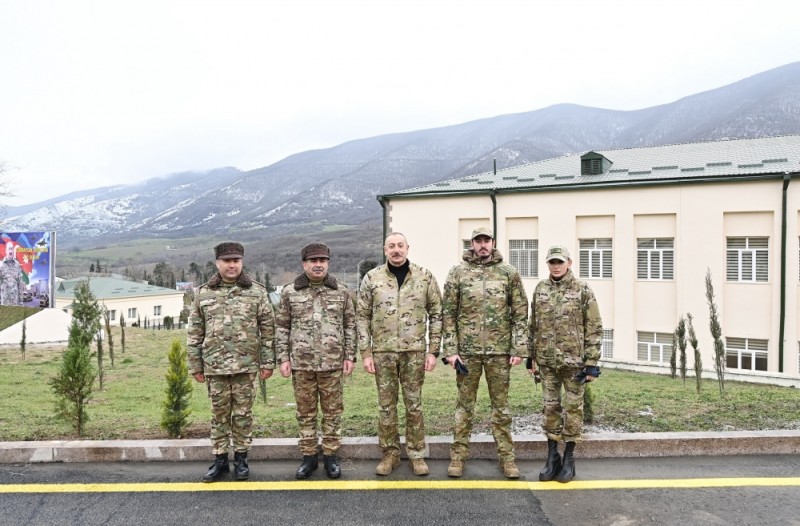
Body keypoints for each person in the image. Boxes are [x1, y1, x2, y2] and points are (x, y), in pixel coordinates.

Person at [441, 226, 528, 479]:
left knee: (501, 407)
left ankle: (507, 459)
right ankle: (458, 457)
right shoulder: (458, 272)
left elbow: (520, 312)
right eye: (478, 241)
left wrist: (518, 347)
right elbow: (448, 314)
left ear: (493, 242)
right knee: (464, 407)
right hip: (467, 354)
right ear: (472, 244)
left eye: (486, 240)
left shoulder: (508, 273)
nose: (482, 245)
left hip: (499, 353)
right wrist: (451, 350)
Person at [187, 242, 275, 482]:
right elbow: (195, 332)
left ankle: (242, 459)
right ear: (217, 263)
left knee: (243, 414)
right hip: (215, 366)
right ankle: (220, 460)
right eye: (227, 261)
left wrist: (268, 362)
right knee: (219, 415)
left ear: (241, 262)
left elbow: (268, 330)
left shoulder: (256, 292)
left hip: (246, 365)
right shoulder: (203, 293)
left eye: (236, 260)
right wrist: (195, 365)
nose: (232, 265)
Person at [357, 232, 442, 476]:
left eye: (400, 245)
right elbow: (361, 316)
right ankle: (390, 454)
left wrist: (433, 350)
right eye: (391, 246)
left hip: (414, 352)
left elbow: (437, 314)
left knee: (414, 405)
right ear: (385, 250)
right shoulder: (372, 278)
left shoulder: (424, 276)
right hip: (382, 352)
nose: (396, 250)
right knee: (386, 406)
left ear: (408, 248)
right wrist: (366, 352)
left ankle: (416, 454)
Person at [276, 242, 356, 480]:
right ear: (304, 264)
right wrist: (283, 358)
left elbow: (350, 325)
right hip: (302, 365)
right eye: (313, 261)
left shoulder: (341, 291)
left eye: (322, 261)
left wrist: (350, 356)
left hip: (332, 363)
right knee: (305, 413)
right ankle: (308, 457)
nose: (318, 265)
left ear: (328, 263)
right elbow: (282, 327)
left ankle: (331, 456)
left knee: (333, 412)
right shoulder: (290, 292)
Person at [527, 245, 602, 483]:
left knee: (573, 410)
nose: (556, 266)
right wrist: (531, 356)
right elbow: (533, 324)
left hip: (574, 364)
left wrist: (591, 363)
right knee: (550, 408)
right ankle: (552, 457)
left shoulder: (582, 289)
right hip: (547, 362)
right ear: (548, 264)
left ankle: (569, 457)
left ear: (569, 263)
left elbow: (594, 326)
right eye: (552, 262)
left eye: (560, 262)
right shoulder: (540, 289)